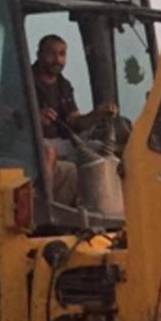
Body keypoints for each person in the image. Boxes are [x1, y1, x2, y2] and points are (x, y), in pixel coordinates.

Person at [33, 34, 117, 203]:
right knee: (49, 151)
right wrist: (35, 119)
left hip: (63, 142)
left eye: (62, 54)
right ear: (39, 54)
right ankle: (43, 205)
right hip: (33, 143)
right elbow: (9, 117)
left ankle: (109, 207)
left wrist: (97, 114)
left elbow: (75, 123)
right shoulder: (24, 79)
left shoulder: (64, 86)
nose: (57, 59)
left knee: (100, 148)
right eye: (52, 54)